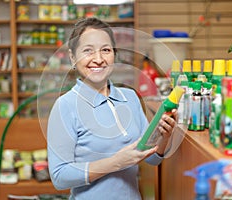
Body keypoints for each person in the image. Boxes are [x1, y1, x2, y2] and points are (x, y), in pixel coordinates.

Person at [47, 17, 177, 200]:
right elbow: (59, 177)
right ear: (72, 57)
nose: (98, 59)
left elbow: (151, 158)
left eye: (106, 50)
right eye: (88, 51)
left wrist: (164, 137)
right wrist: (115, 163)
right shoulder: (65, 106)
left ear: (114, 55)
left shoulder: (130, 97)